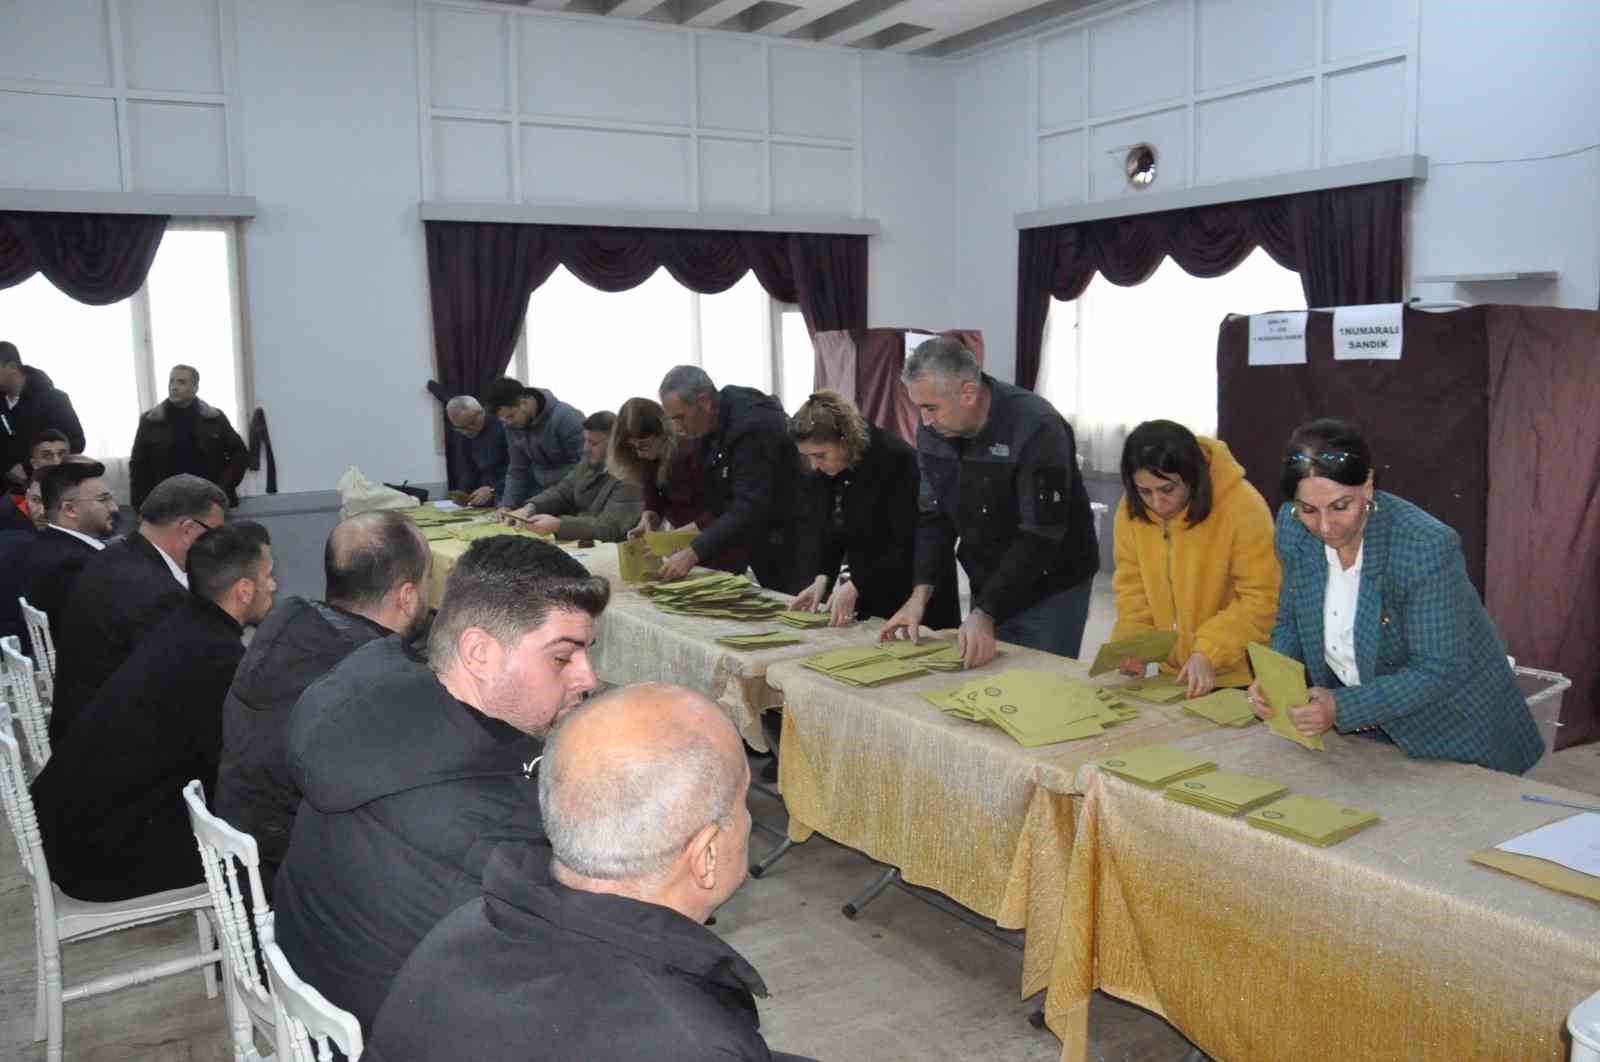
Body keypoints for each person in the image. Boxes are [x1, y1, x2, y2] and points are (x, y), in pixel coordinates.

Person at [367, 683, 812, 1062]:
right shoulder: (689, 1041)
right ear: (707, 854)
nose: (750, 821)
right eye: (743, 802)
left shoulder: (460, 931)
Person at [271, 536, 609, 1033]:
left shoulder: (368, 707)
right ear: (478, 652)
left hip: (333, 1000)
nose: (589, 678)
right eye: (563, 658)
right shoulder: (490, 836)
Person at [1246, 418, 1544, 774]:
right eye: (1308, 509)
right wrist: (1275, 678)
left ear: (1368, 485)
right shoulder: (1293, 528)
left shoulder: (1424, 546)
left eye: (1341, 506)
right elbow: (1292, 620)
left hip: (1453, 730)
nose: (1324, 526)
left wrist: (1342, 708)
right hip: (1366, 728)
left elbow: (1437, 671)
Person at [31, 522, 275, 901]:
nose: (274, 585)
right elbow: (229, 771)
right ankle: (256, 955)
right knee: (272, 843)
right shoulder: (216, 658)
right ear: (244, 590)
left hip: (64, 824)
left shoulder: (183, 624)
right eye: (268, 575)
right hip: (97, 858)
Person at [214, 511, 433, 896]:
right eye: (427, 579)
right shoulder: (374, 678)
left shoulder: (289, 625)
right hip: (298, 887)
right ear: (408, 595)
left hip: (248, 858)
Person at [882, 336, 1099, 667]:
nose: (924, 421)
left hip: (1051, 584)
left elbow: (1040, 534)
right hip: (989, 577)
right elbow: (933, 517)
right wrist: (919, 594)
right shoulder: (933, 431)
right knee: (988, 687)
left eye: (931, 408)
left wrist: (986, 610)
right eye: (920, 408)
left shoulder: (1037, 426)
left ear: (968, 393)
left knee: (1040, 689)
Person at [51, 474, 227, 741]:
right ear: (188, 530)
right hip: (110, 750)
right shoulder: (158, 594)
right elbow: (184, 695)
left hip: (86, 725)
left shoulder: (115, 556)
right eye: (216, 536)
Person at [1109, 420, 1280, 697]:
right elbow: (1132, 587)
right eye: (1144, 491)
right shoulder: (1131, 508)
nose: (1156, 503)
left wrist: (1208, 651)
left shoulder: (1243, 506)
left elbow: (1263, 599)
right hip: (1172, 676)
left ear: (1192, 475)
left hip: (1240, 676)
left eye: (1167, 490)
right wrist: (1134, 643)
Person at [789, 391, 958, 629]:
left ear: (845, 441)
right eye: (807, 457)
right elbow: (831, 526)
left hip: (914, 585)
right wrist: (822, 578)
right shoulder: (829, 468)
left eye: (820, 455)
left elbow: (905, 539)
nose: (814, 465)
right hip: (871, 587)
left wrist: (858, 582)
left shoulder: (896, 460)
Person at [642, 366, 815, 592]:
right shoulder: (710, 424)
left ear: (703, 401)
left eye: (681, 417)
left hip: (794, 537)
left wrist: (694, 552)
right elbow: (719, 500)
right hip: (762, 538)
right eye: (673, 419)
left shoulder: (751, 426)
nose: (677, 428)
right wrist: (677, 539)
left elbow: (749, 504)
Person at [613, 396, 749, 575]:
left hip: (719, 545)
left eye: (644, 445)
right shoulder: (648, 458)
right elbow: (654, 497)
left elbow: (720, 509)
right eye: (632, 448)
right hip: (685, 545)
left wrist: (674, 538)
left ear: (663, 433)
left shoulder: (693, 451)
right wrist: (648, 518)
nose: (639, 453)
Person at [0, 461, 119, 642]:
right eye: (103, 500)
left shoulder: (46, 545)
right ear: (70, 509)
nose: (114, 507)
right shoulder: (75, 564)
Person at [506, 410, 641, 542]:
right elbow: (563, 490)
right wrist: (530, 508)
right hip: (582, 541)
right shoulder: (590, 461)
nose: (585, 448)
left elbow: (609, 528)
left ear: (615, 444)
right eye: (585, 441)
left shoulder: (631, 478)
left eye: (593, 443)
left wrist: (559, 525)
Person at [130, 364, 249, 508]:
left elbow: (240, 454)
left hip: (209, 502)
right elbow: (138, 466)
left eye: (181, 382)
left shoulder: (214, 418)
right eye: (171, 381)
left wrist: (223, 487)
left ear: (195, 388)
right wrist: (140, 507)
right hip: (167, 504)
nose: (174, 387)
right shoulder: (150, 420)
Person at [482, 377, 584, 509]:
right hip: (542, 494)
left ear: (524, 402)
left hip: (573, 493)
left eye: (510, 416)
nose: (508, 423)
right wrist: (506, 506)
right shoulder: (512, 426)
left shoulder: (567, 418)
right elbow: (517, 469)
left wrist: (548, 499)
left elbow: (586, 466)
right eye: (502, 420)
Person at [0, 341, 85, 492]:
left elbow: (76, 442)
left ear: (12, 367)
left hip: (49, 491)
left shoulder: (54, 399)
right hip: (7, 496)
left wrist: (29, 467)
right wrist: (6, 468)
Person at [445, 395, 509, 507]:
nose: (469, 430)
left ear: (481, 412)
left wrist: (494, 489)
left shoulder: (504, 426)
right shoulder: (464, 434)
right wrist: (465, 493)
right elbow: (468, 468)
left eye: (472, 423)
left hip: (512, 494)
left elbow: (521, 469)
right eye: (462, 428)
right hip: (488, 497)